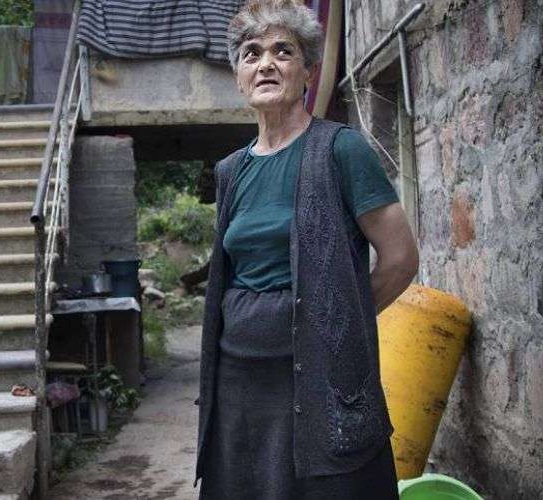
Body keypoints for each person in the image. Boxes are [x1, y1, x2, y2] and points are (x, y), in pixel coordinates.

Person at [195, 1, 419, 498]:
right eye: (251, 54)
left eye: (283, 51)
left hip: (321, 375)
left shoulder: (341, 149)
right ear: (239, 77)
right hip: (239, 379)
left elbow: (401, 259)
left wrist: (337, 324)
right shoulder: (231, 170)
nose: (266, 64)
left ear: (309, 72)